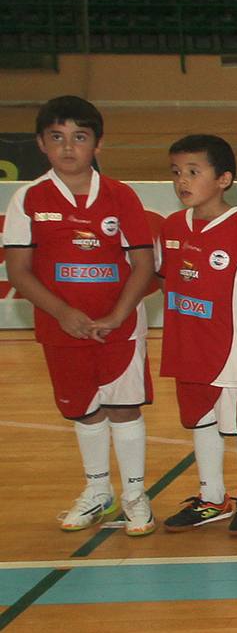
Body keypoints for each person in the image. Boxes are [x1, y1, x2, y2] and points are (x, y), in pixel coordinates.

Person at [4, 96, 158, 536]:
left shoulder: (120, 195)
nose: (68, 147)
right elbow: (18, 269)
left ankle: (134, 493)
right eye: (57, 137)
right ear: (40, 143)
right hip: (60, 327)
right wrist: (62, 312)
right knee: (84, 411)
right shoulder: (28, 199)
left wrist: (116, 315)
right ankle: (97, 491)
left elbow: (143, 264)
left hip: (120, 325)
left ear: (98, 144)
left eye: (79, 137)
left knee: (124, 408)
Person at [159, 134, 237, 535]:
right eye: (176, 172)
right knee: (200, 421)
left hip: (233, 350)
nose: (183, 181)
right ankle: (213, 496)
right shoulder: (173, 227)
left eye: (194, 172)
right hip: (186, 348)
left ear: (224, 178)